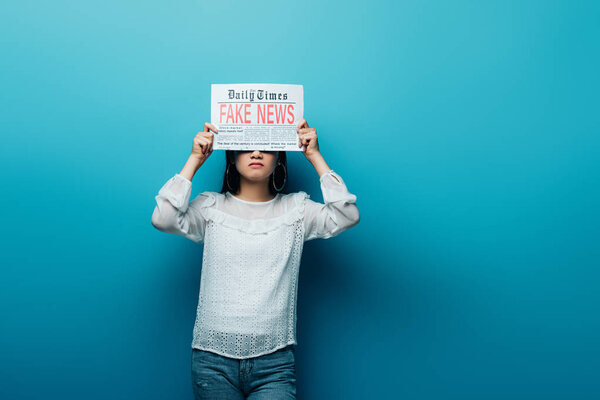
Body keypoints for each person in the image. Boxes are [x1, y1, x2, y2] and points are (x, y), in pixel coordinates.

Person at [151, 119, 360, 399]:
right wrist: (194, 159)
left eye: (267, 147)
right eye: (246, 147)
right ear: (232, 158)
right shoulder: (211, 207)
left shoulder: (296, 210)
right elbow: (163, 219)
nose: (257, 153)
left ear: (279, 159)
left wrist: (315, 156)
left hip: (275, 362)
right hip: (212, 360)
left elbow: (346, 216)